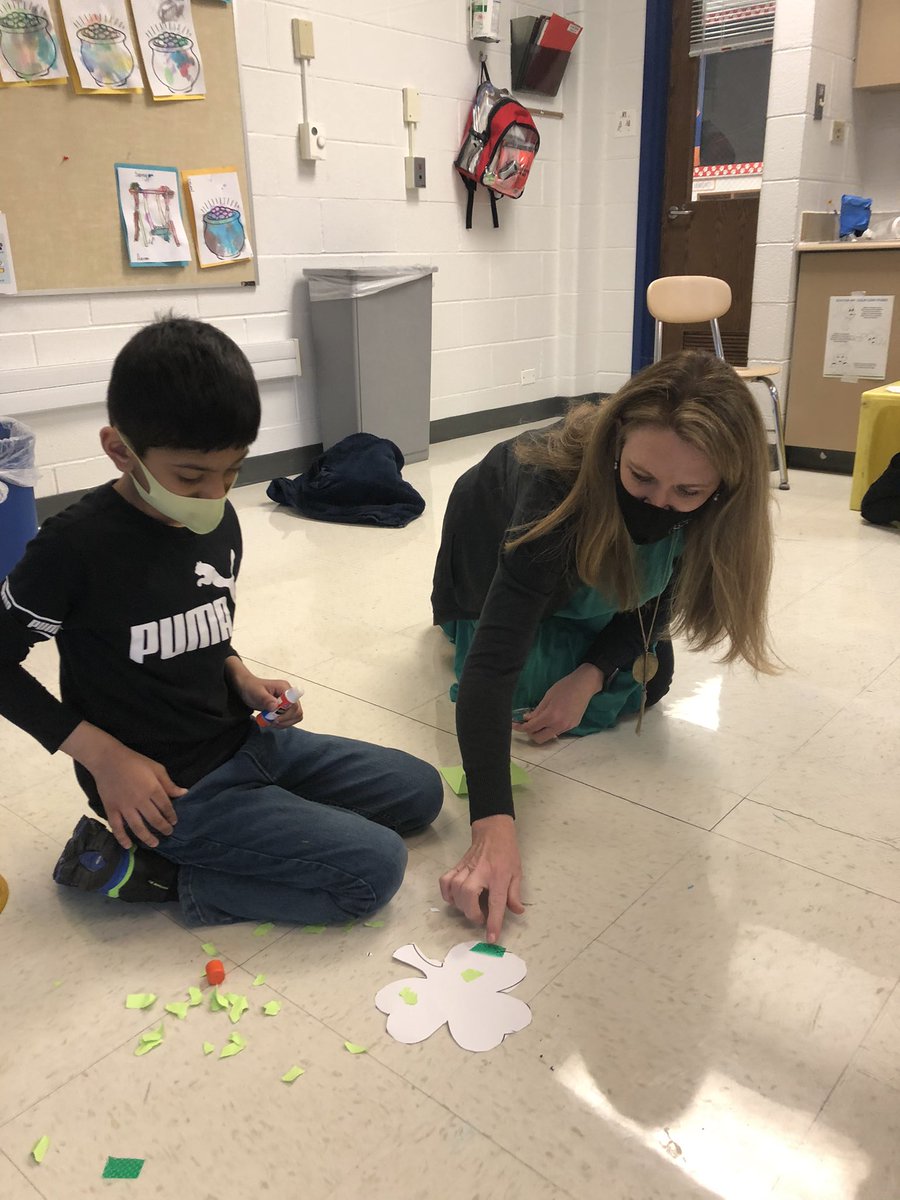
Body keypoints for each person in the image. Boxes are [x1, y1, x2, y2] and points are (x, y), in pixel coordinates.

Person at [0, 317, 442, 927]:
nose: (215, 495)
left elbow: (203, 626)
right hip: (168, 789)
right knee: (374, 871)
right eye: (191, 476)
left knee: (421, 792)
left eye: (233, 470)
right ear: (121, 449)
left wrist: (242, 678)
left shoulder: (217, 518)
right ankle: (165, 879)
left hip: (250, 740)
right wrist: (103, 759)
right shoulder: (73, 548)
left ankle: (265, 817)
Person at [431, 350, 777, 943]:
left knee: (645, 675)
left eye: (688, 491)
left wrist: (589, 675)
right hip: (489, 537)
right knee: (526, 691)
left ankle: (582, 642)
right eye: (641, 477)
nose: (659, 504)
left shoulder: (714, 510)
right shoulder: (553, 490)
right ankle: (562, 616)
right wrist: (493, 823)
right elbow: (493, 667)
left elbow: (663, 585)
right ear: (617, 443)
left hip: (582, 565)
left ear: (724, 488)